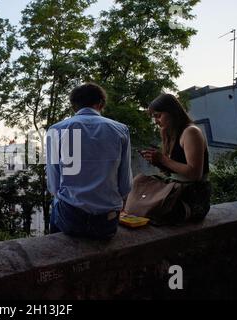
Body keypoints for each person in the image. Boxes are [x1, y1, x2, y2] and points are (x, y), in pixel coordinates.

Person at [46, 83, 132, 239]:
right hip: (106, 223)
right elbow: (125, 186)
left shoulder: (56, 130)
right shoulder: (121, 130)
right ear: (100, 104)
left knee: (57, 204)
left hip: (71, 219)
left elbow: (53, 185)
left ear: (74, 106)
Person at [140, 93, 211, 221]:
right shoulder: (169, 133)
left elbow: (195, 174)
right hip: (176, 190)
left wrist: (163, 159)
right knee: (138, 184)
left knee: (144, 207)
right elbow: (171, 171)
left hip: (193, 199)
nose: (156, 121)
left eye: (158, 116)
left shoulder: (191, 132)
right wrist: (157, 162)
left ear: (172, 112)